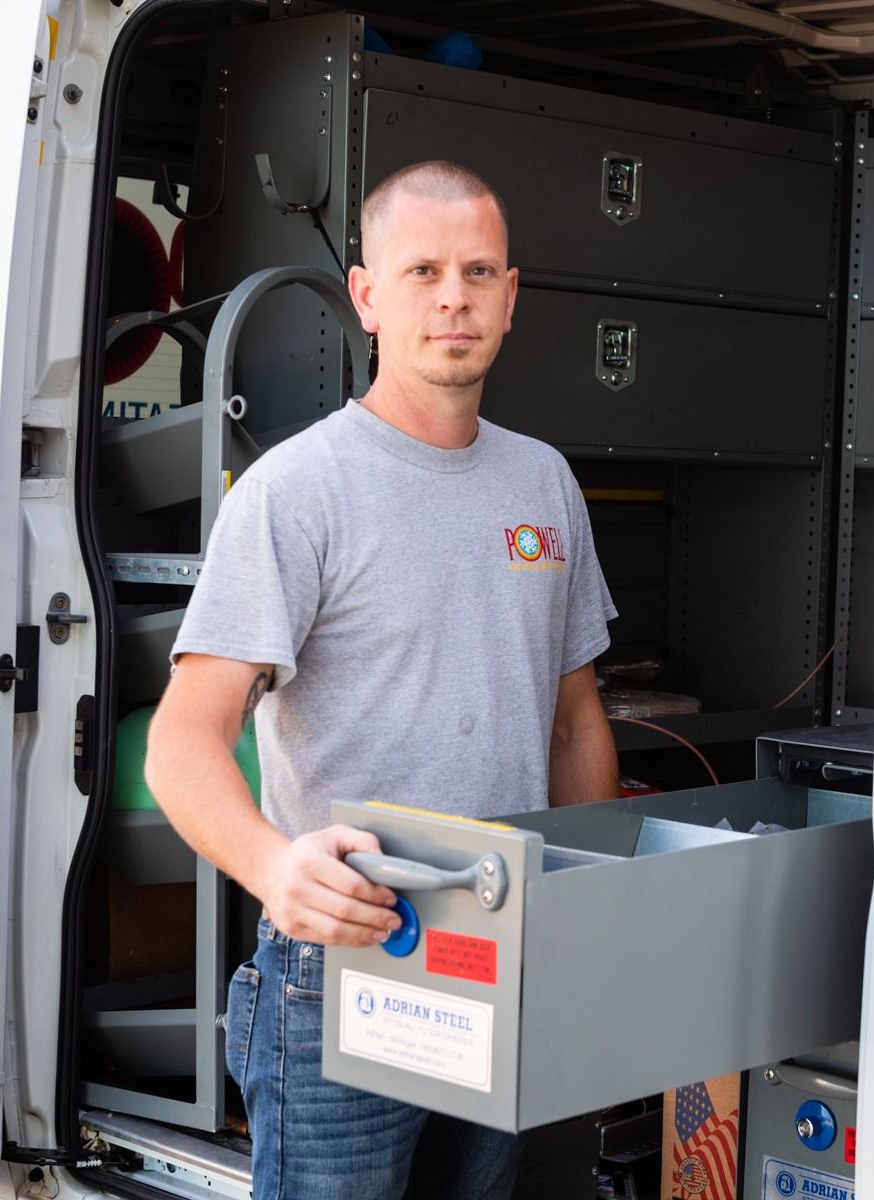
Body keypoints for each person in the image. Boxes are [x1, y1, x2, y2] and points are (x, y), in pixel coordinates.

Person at [144, 160, 620, 1199]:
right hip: (346, 965)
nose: (453, 295)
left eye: (477, 271)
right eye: (422, 271)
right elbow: (183, 739)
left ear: (509, 297)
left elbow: (575, 719)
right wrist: (275, 871)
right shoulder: (297, 492)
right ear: (366, 296)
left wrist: (584, 911)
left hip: (497, 952)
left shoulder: (543, 481)